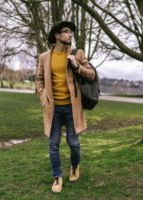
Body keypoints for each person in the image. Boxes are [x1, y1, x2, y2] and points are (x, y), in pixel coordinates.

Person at [35, 21, 95, 193]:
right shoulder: (44, 57)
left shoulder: (77, 53)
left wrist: (76, 66)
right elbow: (39, 78)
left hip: (71, 108)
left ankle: (75, 166)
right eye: (66, 31)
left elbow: (91, 75)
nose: (70, 34)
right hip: (52, 108)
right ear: (57, 35)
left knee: (73, 143)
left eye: (71, 32)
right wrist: (42, 96)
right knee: (53, 144)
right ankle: (57, 177)